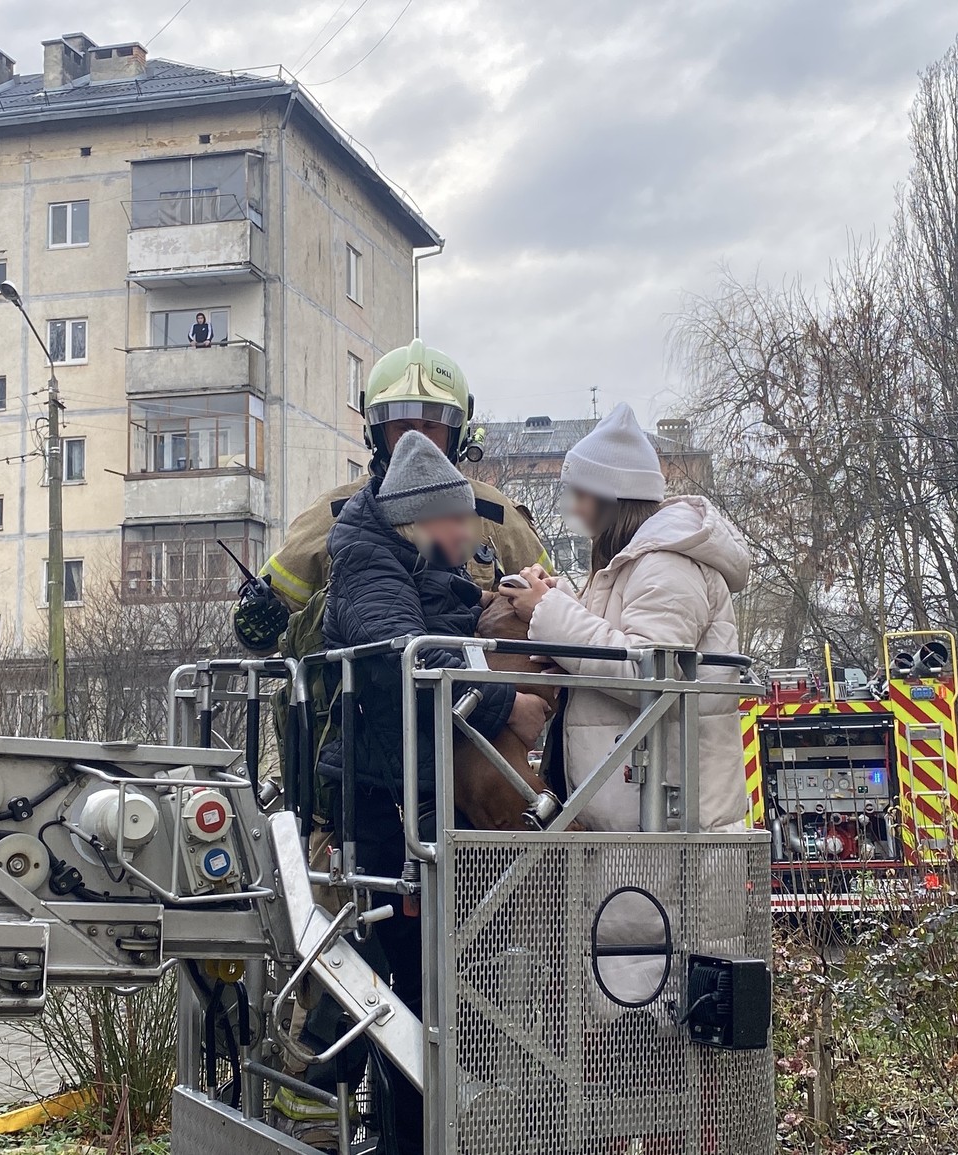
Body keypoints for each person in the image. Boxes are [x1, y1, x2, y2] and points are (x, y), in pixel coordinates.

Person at [315, 431, 551, 1155]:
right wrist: (504, 701)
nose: (465, 534)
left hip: (412, 793)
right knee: (422, 989)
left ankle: (435, 1130)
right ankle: (419, 1138)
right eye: (453, 522)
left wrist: (509, 599)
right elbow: (402, 661)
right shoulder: (366, 558)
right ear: (417, 519)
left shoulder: (401, 554)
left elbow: (432, 627)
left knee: (445, 983)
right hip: (389, 803)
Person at [498, 403, 753, 833]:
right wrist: (554, 597)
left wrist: (547, 611)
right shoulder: (639, 564)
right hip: (641, 822)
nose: (575, 510)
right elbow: (615, 641)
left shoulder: (667, 565)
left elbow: (649, 672)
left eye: (581, 495)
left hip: (665, 828)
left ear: (611, 497)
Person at [232, 338, 546, 653]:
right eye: (403, 427)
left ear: (458, 432)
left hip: (483, 696)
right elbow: (263, 631)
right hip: (364, 699)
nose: (417, 440)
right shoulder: (334, 515)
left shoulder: (497, 514)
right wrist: (258, 616)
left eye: (430, 426)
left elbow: (552, 608)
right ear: (377, 432)